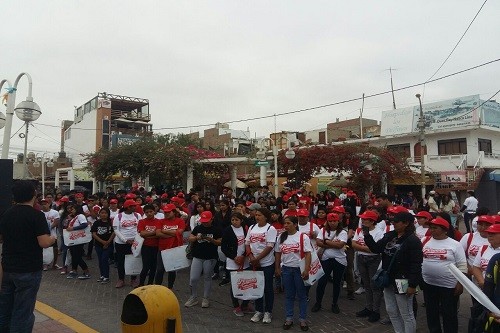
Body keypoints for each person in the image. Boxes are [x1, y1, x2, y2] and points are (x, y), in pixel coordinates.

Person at [0, 180, 56, 332]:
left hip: (7, 268)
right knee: (23, 312)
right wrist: (53, 238)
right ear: (34, 195)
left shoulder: (6, 213)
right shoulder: (36, 216)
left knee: (5, 310)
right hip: (28, 270)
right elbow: (44, 242)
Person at [364, 212, 423, 333]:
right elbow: (376, 248)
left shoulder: (413, 240)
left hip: (403, 279)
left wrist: (412, 285)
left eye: (396, 222)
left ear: (406, 223)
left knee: (406, 312)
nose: (393, 224)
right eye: (392, 221)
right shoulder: (390, 235)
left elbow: (416, 264)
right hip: (388, 278)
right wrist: (367, 234)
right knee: (391, 310)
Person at [421, 217, 467, 333]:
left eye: (435, 228)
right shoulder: (425, 241)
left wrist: (460, 283)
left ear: (445, 230)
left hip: (449, 286)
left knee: (449, 314)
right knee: (432, 313)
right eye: (431, 227)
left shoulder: (455, 245)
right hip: (429, 284)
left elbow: (462, 265)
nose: (431, 230)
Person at [275, 216, 311, 331]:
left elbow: (308, 254)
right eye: (284, 223)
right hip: (286, 269)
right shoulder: (281, 237)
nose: (285, 225)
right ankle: (289, 318)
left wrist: (306, 269)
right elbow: (278, 253)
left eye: (288, 223)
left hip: (298, 270)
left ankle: (302, 319)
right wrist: (277, 268)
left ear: (295, 224)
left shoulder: (302, 237)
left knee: (302, 296)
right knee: (289, 295)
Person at [245, 208, 278, 324]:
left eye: (260, 215)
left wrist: (258, 259)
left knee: (268, 288)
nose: (257, 217)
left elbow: (269, 246)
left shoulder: (270, 229)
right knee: (257, 287)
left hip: (267, 263)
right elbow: (247, 243)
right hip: (254, 262)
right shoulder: (252, 228)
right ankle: (259, 310)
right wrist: (251, 257)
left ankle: (268, 312)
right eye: (256, 215)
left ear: (266, 217)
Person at [352, 210, 384, 323]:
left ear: (372, 221)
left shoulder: (379, 232)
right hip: (361, 258)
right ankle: (368, 307)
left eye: (365, 219)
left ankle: (376, 311)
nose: (362, 220)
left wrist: (362, 247)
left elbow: (375, 249)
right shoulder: (359, 230)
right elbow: (353, 244)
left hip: (373, 260)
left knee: (374, 285)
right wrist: (366, 248)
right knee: (366, 284)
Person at [311, 212, 347, 314]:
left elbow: (340, 245)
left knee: (337, 283)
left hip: (339, 260)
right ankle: (318, 302)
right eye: (330, 221)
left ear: (338, 221)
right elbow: (318, 242)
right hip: (326, 259)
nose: (332, 223)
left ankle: (335, 304)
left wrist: (326, 242)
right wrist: (332, 243)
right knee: (321, 282)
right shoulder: (323, 230)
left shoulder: (342, 232)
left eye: (334, 221)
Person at [185, 211, 222, 308]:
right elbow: (190, 238)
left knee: (207, 277)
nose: (205, 223)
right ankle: (193, 297)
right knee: (193, 278)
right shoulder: (198, 228)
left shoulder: (216, 229)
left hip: (210, 257)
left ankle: (206, 298)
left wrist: (212, 240)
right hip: (197, 256)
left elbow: (220, 242)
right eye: (203, 221)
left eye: (207, 221)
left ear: (211, 219)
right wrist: (197, 237)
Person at [221, 212, 251, 317]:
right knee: (235, 284)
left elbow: (248, 244)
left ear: (241, 220)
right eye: (232, 220)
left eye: (236, 220)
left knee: (246, 283)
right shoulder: (227, 230)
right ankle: (236, 305)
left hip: (245, 260)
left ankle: (245, 304)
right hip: (232, 261)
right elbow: (223, 247)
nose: (234, 222)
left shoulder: (245, 229)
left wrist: (243, 256)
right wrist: (234, 257)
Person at [113, 199, 141, 288]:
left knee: (134, 260)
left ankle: (133, 279)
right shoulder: (119, 216)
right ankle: (121, 279)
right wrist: (125, 240)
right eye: (133, 206)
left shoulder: (137, 215)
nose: (135, 207)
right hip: (121, 243)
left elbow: (140, 228)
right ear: (128, 207)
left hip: (134, 242)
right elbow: (116, 230)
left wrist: (136, 239)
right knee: (121, 262)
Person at [155, 204, 184, 288]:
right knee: (160, 270)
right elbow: (158, 233)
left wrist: (164, 231)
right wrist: (173, 234)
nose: (166, 214)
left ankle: (170, 287)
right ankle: (157, 287)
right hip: (162, 249)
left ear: (174, 212)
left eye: (168, 212)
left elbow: (180, 232)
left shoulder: (180, 221)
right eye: (165, 212)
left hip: (174, 249)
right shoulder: (161, 221)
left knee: (172, 270)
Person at [65, 204, 91, 280]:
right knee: (74, 255)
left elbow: (85, 224)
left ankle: (86, 271)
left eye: (73, 209)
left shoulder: (80, 216)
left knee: (77, 256)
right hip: (74, 239)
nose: (71, 210)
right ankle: (74, 270)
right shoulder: (74, 217)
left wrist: (73, 228)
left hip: (78, 239)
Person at [91, 207, 115, 284]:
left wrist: (107, 242)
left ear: (108, 214)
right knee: (100, 260)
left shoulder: (111, 223)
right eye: (102, 213)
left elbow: (114, 233)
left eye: (105, 213)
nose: (103, 214)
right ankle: (102, 275)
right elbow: (94, 233)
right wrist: (102, 242)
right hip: (98, 245)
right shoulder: (96, 223)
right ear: (99, 214)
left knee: (105, 259)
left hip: (109, 245)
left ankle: (106, 276)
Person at [137, 204, 159, 286]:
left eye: (151, 211)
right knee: (145, 267)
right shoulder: (142, 221)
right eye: (147, 212)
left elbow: (159, 234)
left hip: (156, 247)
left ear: (154, 211)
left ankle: (150, 284)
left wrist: (148, 234)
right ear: (144, 213)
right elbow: (142, 234)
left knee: (154, 268)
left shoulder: (159, 221)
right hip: (146, 247)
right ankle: (141, 284)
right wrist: (154, 233)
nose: (149, 213)